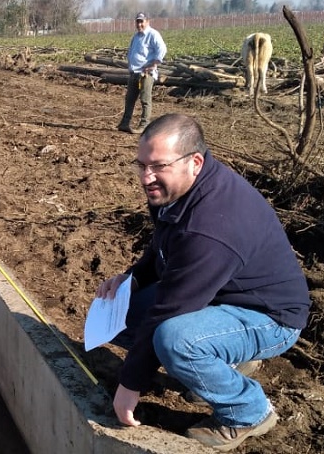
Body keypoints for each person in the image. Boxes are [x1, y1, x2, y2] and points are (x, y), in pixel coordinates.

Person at [95, 114, 310, 451]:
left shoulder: (210, 226)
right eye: (141, 165)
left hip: (269, 318)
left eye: (157, 166)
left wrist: (129, 384)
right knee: (121, 309)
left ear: (194, 161)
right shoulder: (178, 189)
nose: (146, 177)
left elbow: (168, 311)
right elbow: (163, 245)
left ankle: (249, 411)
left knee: (176, 339)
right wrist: (133, 279)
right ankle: (225, 361)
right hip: (220, 295)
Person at [117, 12, 167, 135]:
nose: (139, 24)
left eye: (141, 21)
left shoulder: (153, 34)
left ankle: (144, 125)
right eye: (137, 21)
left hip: (146, 73)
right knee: (129, 99)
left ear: (147, 22)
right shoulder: (136, 37)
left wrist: (153, 64)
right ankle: (124, 123)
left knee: (145, 99)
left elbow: (162, 50)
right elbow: (132, 52)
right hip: (135, 73)